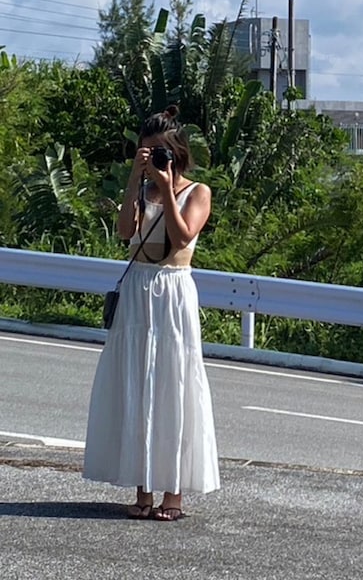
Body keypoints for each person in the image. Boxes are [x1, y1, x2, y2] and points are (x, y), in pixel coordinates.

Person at [83, 105, 220, 521]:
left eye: (162, 151)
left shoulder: (197, 192)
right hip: (137, 291)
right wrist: (135, 179)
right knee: (138, 385)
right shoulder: (143, 190)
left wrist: (167, 185)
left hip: (173, 291)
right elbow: (126, 232)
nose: (157, 158)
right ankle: (143, 491)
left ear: (178, 151)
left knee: (172, 384)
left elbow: (181, 238)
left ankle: (172, 495)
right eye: (148, 151)